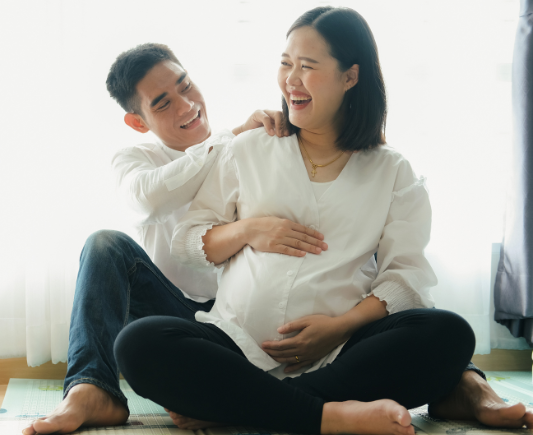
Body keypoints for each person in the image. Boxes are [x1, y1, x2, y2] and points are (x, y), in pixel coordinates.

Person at [114, 7, 533, 435]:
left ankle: (248, 404)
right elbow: (188, 241)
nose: (290, 79)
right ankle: (326, 415)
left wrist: (338, 328)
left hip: (343, 353)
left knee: (448, 332)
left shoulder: (392, 172)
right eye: (285, 63)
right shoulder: (249, 148)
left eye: (307, 67)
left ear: (350, 77)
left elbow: (405, 276)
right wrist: (247, 231)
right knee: (139, 342)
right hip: (235, 343)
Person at [22, 43, 330, 435]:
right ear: (138, 121)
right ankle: (90, 390)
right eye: (164, 103)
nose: (186, 106)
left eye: (186, 86)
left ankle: (223, 400)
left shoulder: (248, 148)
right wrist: (229, 138)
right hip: (168, 321)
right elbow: (147, 197)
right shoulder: (140, 159)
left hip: (236, 322)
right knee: (104, 244)